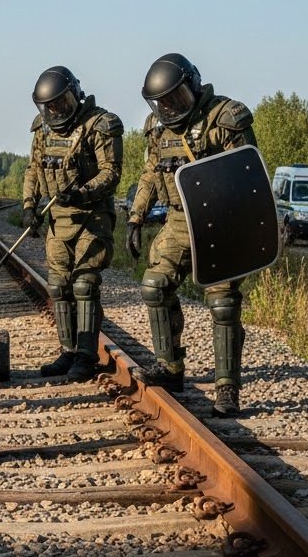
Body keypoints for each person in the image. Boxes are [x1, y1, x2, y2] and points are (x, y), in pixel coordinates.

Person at [125, 53, 255, 417]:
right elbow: (151, 173)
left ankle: (227, 388)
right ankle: (169, 367)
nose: (169, 107)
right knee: (154, 284)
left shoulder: (225, 119)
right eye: (163, 102)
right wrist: (135, 218)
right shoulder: (156, 128)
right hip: (179, 221)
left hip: (220, 221)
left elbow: (247, 172)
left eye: (175, 99)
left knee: (223, 303)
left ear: (192, 85)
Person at [22, 66, 124, 383]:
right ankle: (68, 351)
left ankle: (86, 355)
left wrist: (82, 193)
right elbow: (33, 170)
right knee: (59, 286)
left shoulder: (101, 125)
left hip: (92, 218)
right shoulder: (43, 130)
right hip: (58, 221)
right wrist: (29, 206)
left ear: (74, 95)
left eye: (60, 103)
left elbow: (111, 173)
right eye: (49, 106)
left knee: (85, 284)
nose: (55, 111)